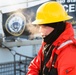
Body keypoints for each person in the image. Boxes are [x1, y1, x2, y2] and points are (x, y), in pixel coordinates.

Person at [26, 1, 76, 75]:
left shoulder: (68, 53)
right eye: (40, 26)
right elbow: (34, 66)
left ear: (57, 27)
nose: (40, 31)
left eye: (44, 27)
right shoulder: (48, 44)